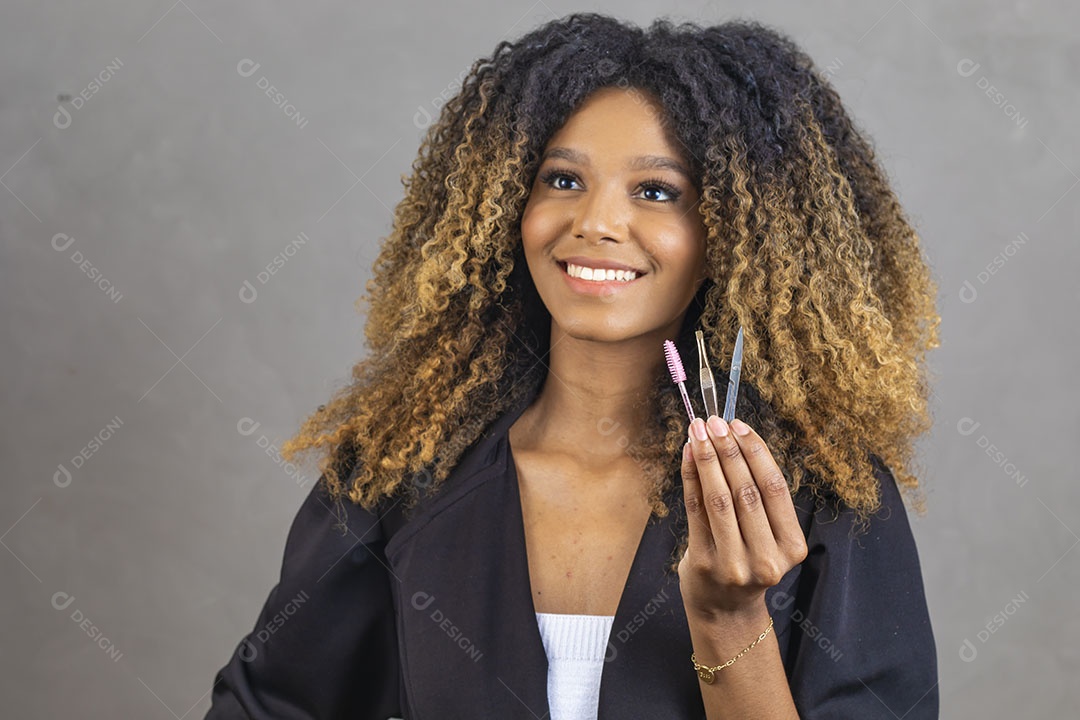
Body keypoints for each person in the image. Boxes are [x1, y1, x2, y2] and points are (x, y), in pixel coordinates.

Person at [205, 12, 941, 720]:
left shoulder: (823, 499)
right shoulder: (402, 475)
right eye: (562, 179)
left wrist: (729, 621)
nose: (595, 222)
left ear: (736, 235)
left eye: (656, 192)